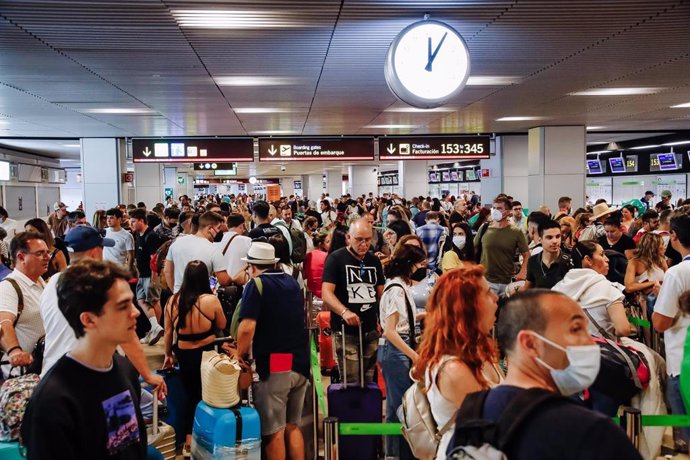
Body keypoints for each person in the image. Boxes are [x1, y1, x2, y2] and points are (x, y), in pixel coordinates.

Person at [481, 290, 642, 460]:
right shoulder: (592, 433)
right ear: (530, 343)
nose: (590, 342)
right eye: (576, 329)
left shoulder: (473, 414)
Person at [22, 260, 148, 460]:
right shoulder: (53, 402)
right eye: (123, 306)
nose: (136, 312)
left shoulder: (124, 369)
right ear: (89, 319)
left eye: (132, 302)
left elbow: (127, 446)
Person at [38, 225, 165, 400]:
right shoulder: (103, 286)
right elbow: (127, 334)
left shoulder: (51, 283)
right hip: (90, 380)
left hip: (52, 376)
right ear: (94, 253)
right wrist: (148, 375)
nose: (134, 312)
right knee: (147, 409)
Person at [411, 266, 503, 459]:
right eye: (487, 294)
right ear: (467, 307)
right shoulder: (453, 369)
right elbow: (496, 424)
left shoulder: (480, 353)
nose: (495, 298)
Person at [232, 242, 309, 460]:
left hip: (277, 363)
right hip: (300, 362)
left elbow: (246, 327)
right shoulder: (291, 282)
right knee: (293, 426)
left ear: (253, 267)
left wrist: (239, 354)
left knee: (274, 430)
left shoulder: (256, 285)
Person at [162, 260, 225, 457]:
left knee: (191, 397)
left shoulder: (173, 301)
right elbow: (222, 323)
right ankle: (207, 438)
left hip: (183, 353)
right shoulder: (210, 300)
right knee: (209, 396)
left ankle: (188, 441)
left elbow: (168, 332)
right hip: (207, 353)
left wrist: (167, 354)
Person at [378, 244, 427, 459]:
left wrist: (422, 315)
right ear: (410, 265)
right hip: (397, 351)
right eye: (419, 264)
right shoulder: (396, 289)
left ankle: (396, 453)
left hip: (398, 349)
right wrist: (414, 355)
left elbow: (401, 320)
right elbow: (391, 331)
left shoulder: (398, 286)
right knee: (401, 408)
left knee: (397, 406)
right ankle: (399, 454)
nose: (420, 269)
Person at [322, 218, 384, 385]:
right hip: (345, 331)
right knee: (351, 381)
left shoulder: (374, 261)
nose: (364, 244)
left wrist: (382, 318)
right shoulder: (336, 259)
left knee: (369, 380)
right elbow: (326, 293)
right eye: (359, 239)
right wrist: (344, 311)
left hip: (371, 329)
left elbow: (381, 293)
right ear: (348, 238)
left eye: (368, 240)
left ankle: (367, 411)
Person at [653, 206, 690, 446]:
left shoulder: (677, 273)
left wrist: (661, 296)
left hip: (683, 363)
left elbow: (659, 322)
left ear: (674, 236)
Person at [553, 240, 631, 340]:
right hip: (602, 352)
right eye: (602, 254)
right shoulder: (608, 289)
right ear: (588, 260)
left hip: (568, 351)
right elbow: (623, 329)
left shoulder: (558, 289)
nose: (607, 259)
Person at [0, 232, 49, 376]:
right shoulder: (9, 287)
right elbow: (4, 322)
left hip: (44, 365)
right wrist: (15, 350)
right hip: (24, 372)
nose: (47, 257)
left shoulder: (40, 281)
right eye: (40, 253)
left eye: (47, 252)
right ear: (21, 257)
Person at [474, 196, 530, 297]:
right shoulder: (485, 228)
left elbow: (526, 254)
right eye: (494, 208)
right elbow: (474, 248)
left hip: (507, 281)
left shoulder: (516, 232)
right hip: (486, 281)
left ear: (508, 212)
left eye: (499, 208)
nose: (495, 211)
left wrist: (522, 271)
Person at [164, 211, 230, 294]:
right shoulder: (213, 249)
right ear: (210, 228)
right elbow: (223, 280)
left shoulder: (176, 243)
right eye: (219, 228)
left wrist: (175, 292)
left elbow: (167, 271)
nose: (220, 232)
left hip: (179, 297)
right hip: (202, 300)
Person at [129, 208, 165, 345]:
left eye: (133, 222)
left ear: (141, 221)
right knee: (141, 300)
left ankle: (156, 329)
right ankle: (155, 327)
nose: (131, 225)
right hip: (142, 275)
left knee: (154, 301)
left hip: (150, 276)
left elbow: (155, 260)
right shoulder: (139, 235)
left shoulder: (151, 236)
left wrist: (154, 279)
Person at [520, 219, 573, 292]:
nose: (555, 241)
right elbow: (527, 287)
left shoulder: (569, 262)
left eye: (558, 236)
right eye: (549, 237)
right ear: (540, 239)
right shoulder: (533, 261)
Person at [218, 213, 252, 285]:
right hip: (241, 283)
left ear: (228, 225)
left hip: (223, 285)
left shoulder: (219, 241)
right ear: (241, 226)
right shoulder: (247, 241)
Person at [102, 208, 135, 273]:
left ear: (119, 219)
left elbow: (131, 255)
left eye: (111, 218)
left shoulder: (127, 235)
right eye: (107, 218)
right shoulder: (104, 232)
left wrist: (128, 270)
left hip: (119, 269)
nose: (108, 220)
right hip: (105, 268)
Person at [304, 232, 330, 299]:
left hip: (311, 292)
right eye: (328, 242)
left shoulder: (308, 255)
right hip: (324, 292)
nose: (330, 244)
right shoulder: (327, 256)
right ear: (320, 244)